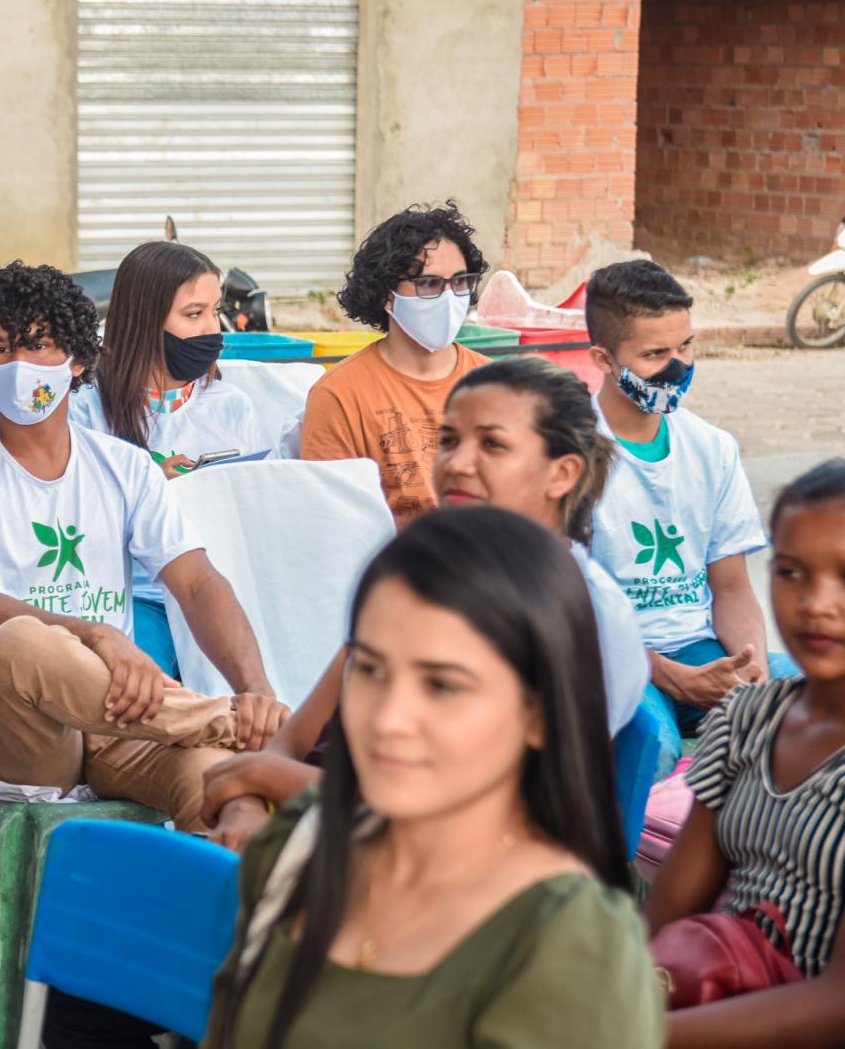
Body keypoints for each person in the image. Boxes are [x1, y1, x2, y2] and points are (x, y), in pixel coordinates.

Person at [202, 506, 663, 1048]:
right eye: (370, 669)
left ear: (539, 714)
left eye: (442, 685)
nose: (388, 718)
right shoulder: (300, 845)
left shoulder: (575, 948)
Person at [202, 357, 649, 850]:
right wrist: (244, 804)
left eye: (493, 444)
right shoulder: (416, 576)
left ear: (562, 474)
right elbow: (293, 741)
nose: (456, 464)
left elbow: (466, 819)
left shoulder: (588, 616)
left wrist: (264, 780)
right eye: (450, 441)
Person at [0, 261, 288, 833]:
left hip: (121, 718)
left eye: (39, 346)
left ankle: (221, 914)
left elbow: (196, 581)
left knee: (230, 795)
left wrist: (256, 689)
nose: (19, 365)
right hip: (12, 729)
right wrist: (97, 635)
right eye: (1, 348)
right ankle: (234, 723)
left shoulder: (124, 467)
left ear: (78, 359)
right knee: (21, 643)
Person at [644, 460, 845, 1047]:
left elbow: (837, 1004)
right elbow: (672, 905)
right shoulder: (747, 718)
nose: (814, 604)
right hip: (709, 995)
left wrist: (634, 1031)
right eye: (790, 572)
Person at [585, 260, 796, 772]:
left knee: (813, 705)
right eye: (655, 354)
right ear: (604, 359)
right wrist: (670, 675)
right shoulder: (569, 453)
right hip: (613, 660)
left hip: (701, 647)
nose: (678, 365)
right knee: (650, 746)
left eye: (686, 346)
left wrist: (751, 670)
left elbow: (731, 586)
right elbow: (567, 608)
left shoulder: (712, 448)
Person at [70, 240, 275, 677]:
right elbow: (63, 519)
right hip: (136, 596)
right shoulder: (84, 407)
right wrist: (147, 486)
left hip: (226, 591)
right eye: (193, 314)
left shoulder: (231, 405)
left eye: (214, 311)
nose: (210, 330)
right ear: (144, 320)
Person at [300, 202, 492, 524]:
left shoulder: (498, 382)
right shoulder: (339, 396)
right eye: (428, 284)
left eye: (460, 282)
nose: (448, 298)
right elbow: (331, 522)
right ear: (386, 294)